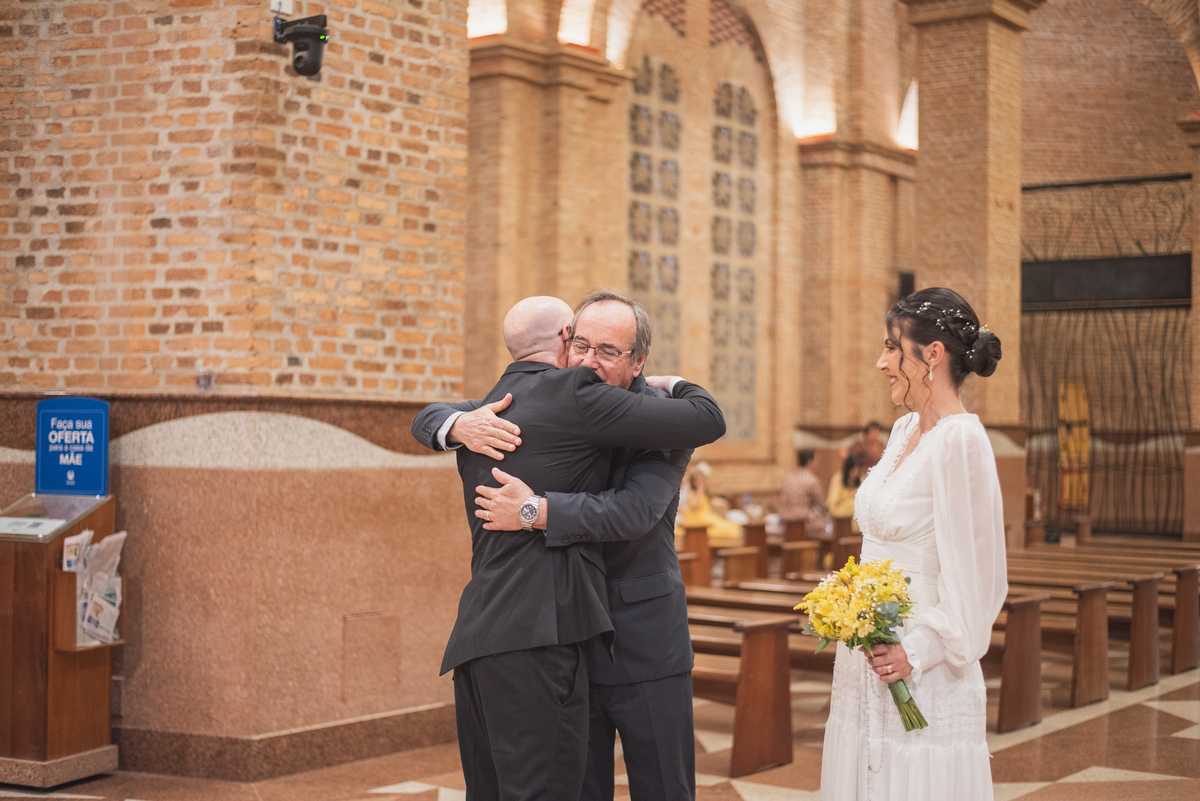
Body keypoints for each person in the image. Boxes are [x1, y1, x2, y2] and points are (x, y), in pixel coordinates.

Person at [411, 295, 725, 801]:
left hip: (643, 639)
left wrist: (534, 510)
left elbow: (633, 513)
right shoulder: (555, 399)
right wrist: (454, 426)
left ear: (638, 361)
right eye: (580, 344)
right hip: (568, 641)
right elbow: (435, 413)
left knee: (665, 788)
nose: (587, 360)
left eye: (607, 350)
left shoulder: (664, 416)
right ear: (564, 340)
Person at [819, 286, 1007, 801]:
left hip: (921, 661)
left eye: (891, 347)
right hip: (869, 650)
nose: (881, 363)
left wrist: (916, 652)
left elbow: (978, 581)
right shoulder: (903, 431)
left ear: (932, 356)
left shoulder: (961, 440)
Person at [677, 467, 741, 544]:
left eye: (701, 479)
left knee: (727, 525)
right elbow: (694, 507)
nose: (700, 482)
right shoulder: (692, 493)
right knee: (721, 529)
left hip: (706, 515)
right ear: (693, 481)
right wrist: (699, 492)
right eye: (698, 479)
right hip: (697, 518)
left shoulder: (704, 491)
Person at [778, 449, 831, 540]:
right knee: (828, 526)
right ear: (810, 462)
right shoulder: (811, 480)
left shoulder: (789, 478)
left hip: (786, 524)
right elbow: (822, 505)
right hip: (806, 524)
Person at [826, 451, 866, 533]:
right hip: (841, 520)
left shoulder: (862, 479)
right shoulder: (838, 478)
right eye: (853, 470)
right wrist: (850, 496)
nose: (855, 474)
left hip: (858, 522)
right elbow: (832, 504)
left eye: (857, 470)